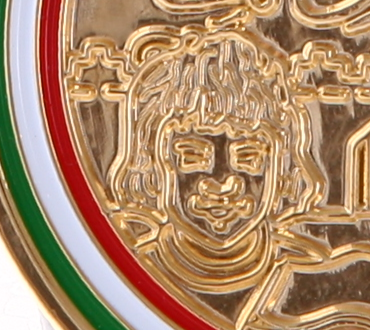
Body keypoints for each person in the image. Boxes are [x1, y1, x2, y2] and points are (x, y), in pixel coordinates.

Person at [107, 23, 325, 303]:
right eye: (193, 156)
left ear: (283, 167)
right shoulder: (118, 277)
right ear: (151, 163)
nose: (222, 181)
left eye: (247, 157)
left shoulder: (314, 267)